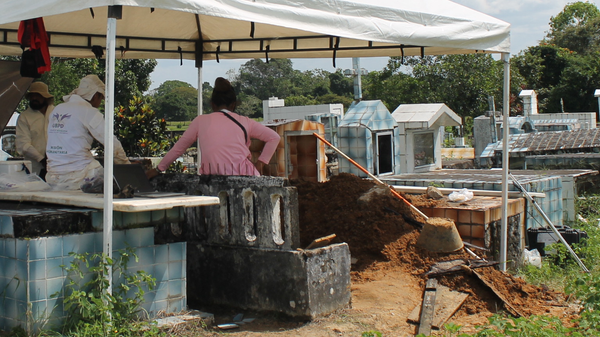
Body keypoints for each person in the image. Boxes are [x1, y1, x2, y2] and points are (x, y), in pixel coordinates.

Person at [147, 77, 280, 177]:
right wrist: (260, 164)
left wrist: (158, 169)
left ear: (212, 104)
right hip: (245, 177)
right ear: (233, 105)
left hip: (212, 179)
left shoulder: (200, 121)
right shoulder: (245, 121)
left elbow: (178, 149)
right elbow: (274, 137)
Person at [45, 74, 131, 190]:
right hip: (79, 175)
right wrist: (126, 166)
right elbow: (112, 143)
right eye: (101, 98)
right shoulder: (88, 112)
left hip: (53, 175)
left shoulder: (58, 109)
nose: (100, 102)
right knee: (116, 184)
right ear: (95, 95)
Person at [15, 81, 54, 179]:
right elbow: (23, 144)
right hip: (35, 168)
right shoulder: (24, 117)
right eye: (32, 96)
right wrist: (41, 159)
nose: (34, 98)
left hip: (56, 165)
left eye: (38, 95)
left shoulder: (56, 113)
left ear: (45, 97)